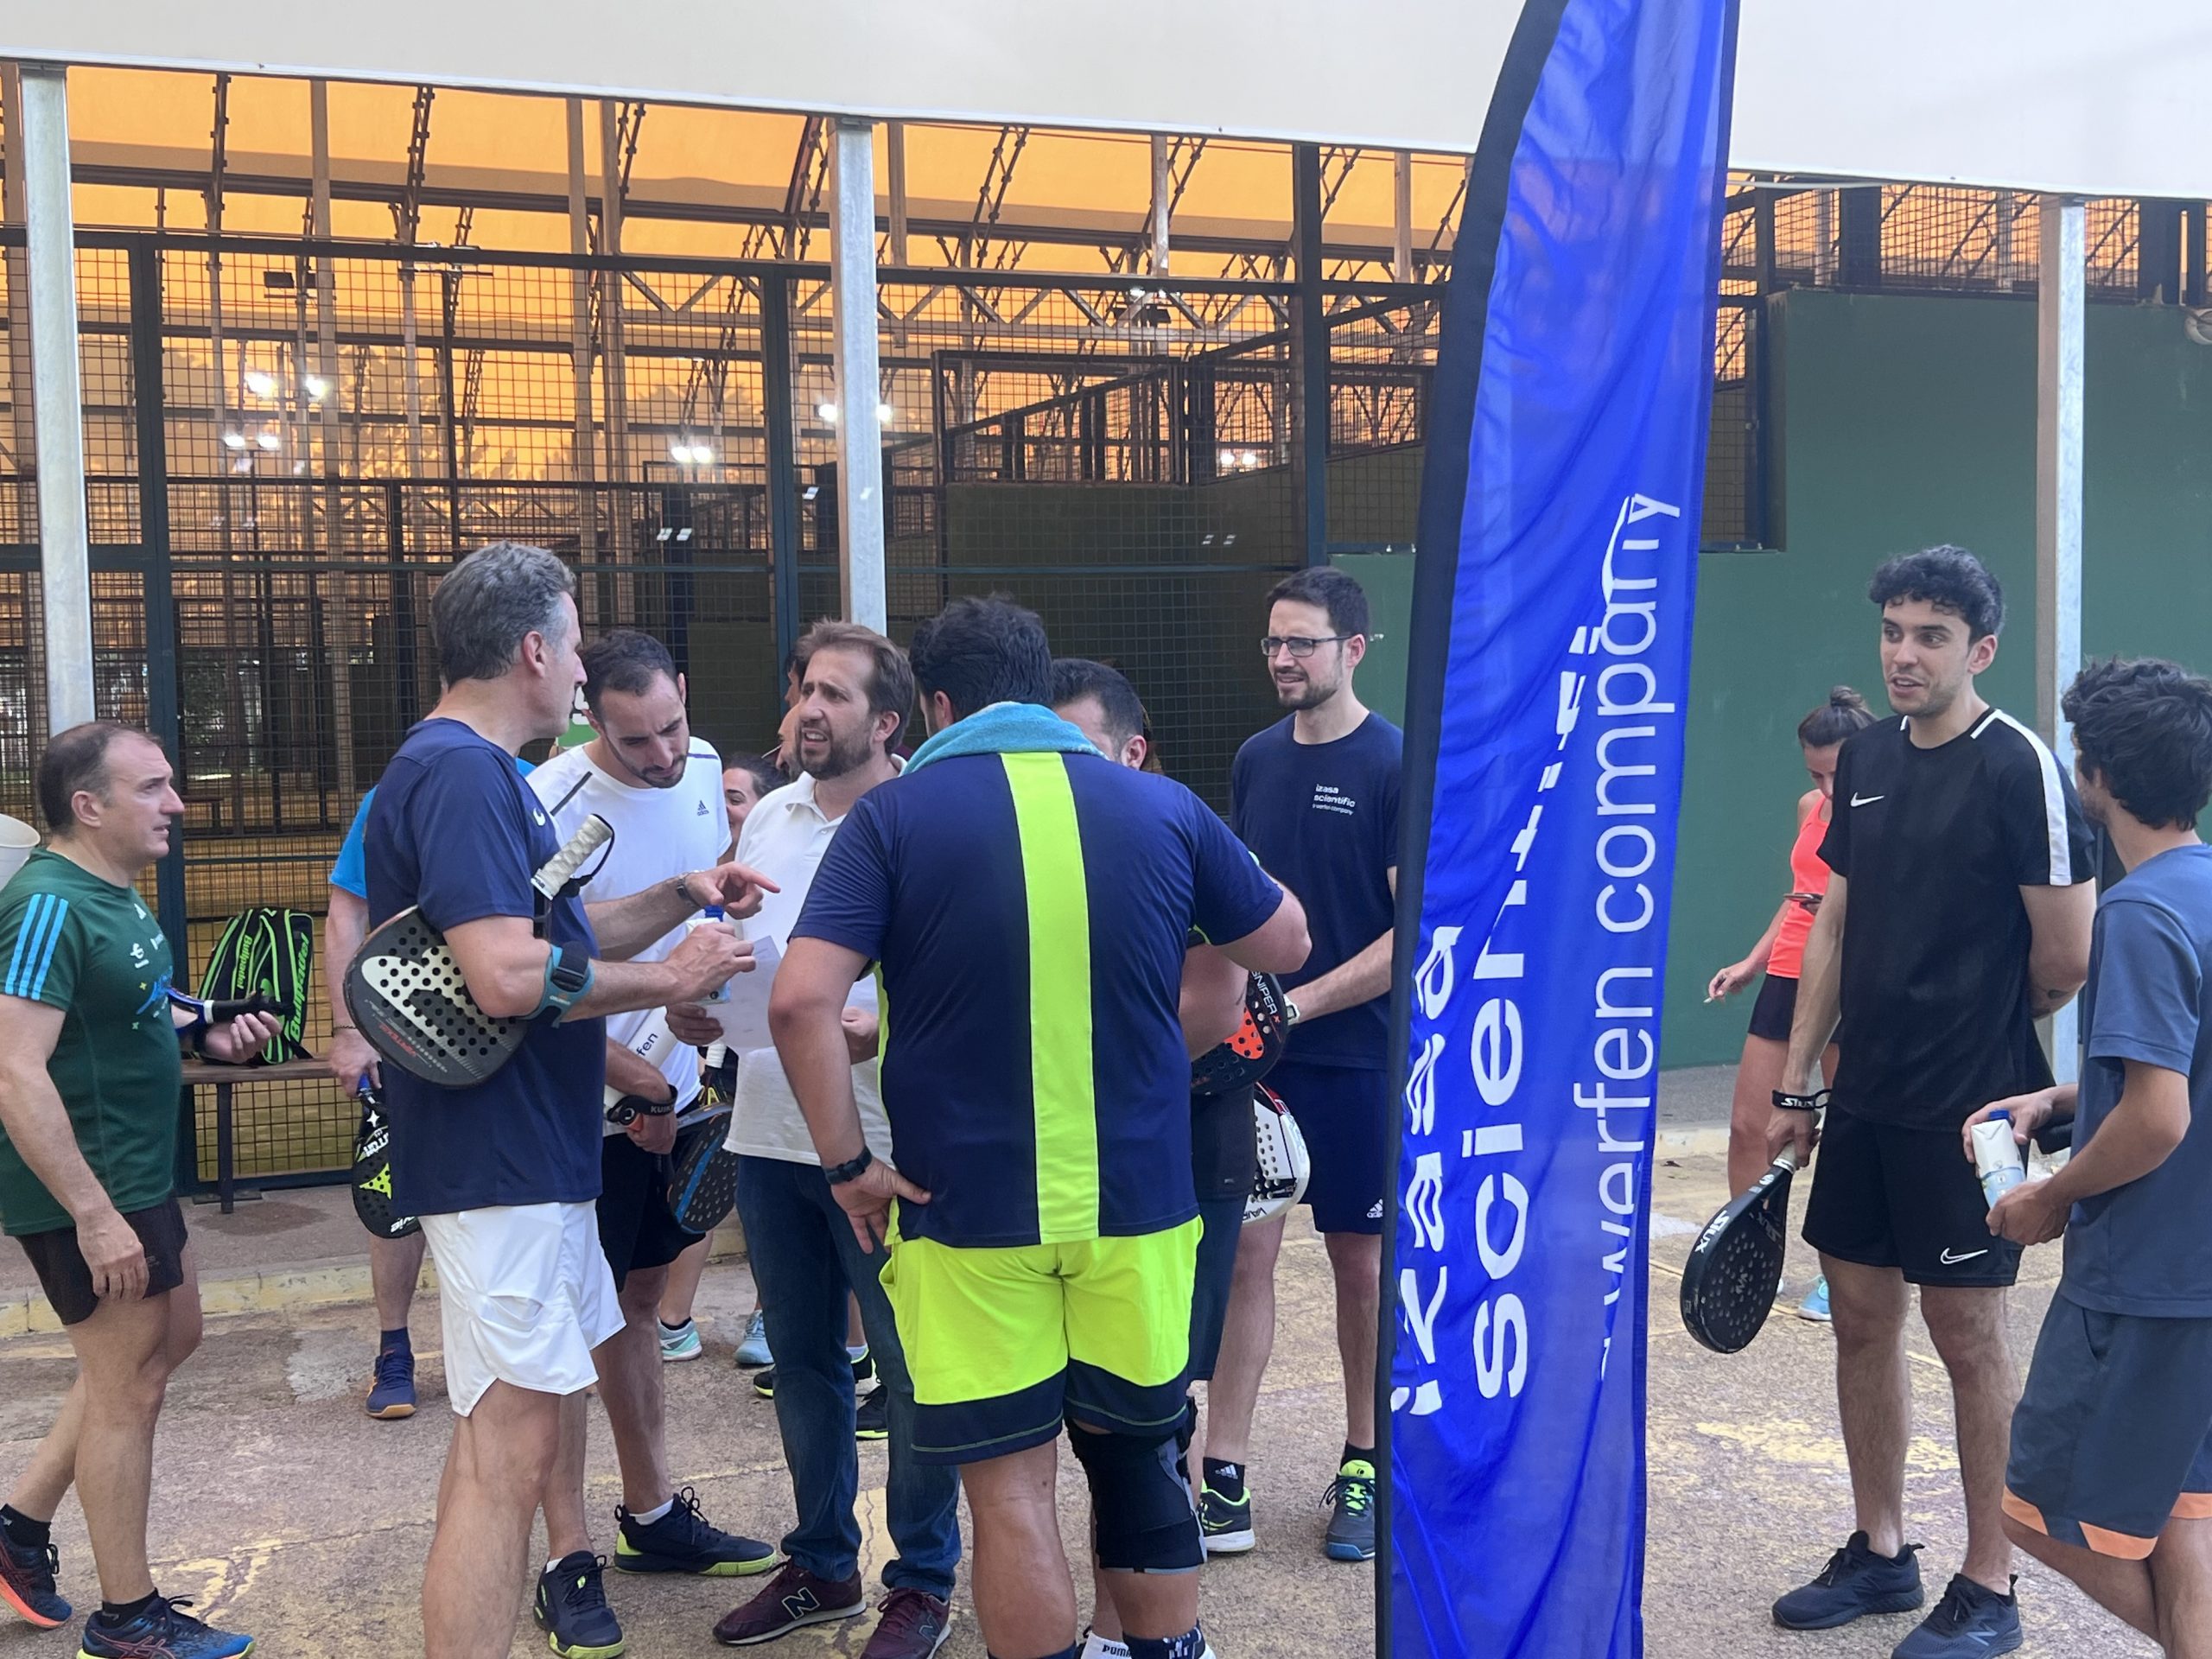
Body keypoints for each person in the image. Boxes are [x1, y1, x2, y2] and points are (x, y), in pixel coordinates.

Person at [770, 595, 1310, 1659]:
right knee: (1139, 1463)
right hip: (1138, 1204)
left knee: (1010, 1494)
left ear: (935, 706)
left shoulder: (891, 818)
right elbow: (1285, 942)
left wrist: (850, 1167)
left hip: (966, 1212)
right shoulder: (1160, 806)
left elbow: (798, 1005)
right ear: (1040, 685)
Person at [361, 542, 770, 1659]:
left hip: (524, 1159)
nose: (584, 667)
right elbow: (505, 975)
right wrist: (670, 978)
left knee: (508, 1437)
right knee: (505, 1455)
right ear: (536, 651)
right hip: (501, 1164)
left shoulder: (473, 771)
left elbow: (557, 939)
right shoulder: (464, 775)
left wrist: (680, 896)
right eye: (578, 645)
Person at [1765, 546, 2097, 1657]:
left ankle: (1989, 1582)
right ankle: (1880, 1552)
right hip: (1863, 1097)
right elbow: (1834, 920)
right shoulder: (1863, 757)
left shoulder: (2019, 767)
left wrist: (1983, 1031)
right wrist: (1799, 1078)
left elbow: (2065, 958)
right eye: (1893, 632)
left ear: (1980, 650)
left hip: (1969, 1109)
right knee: (1861, 1320)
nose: (1903, 655)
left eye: (1931, 637)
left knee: (1968, 1338)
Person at [683, 620, 963, 1658]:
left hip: (884, 1143)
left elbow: (964, 980)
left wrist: (878, 1028)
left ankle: (922, 1580)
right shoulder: (771, 818)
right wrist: (694, 1005)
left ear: (887, 721)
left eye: (834, 694)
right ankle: (822, 1564)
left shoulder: (926, 818)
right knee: (803, 1365)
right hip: (768, 1130)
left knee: (911, 1370)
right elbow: (747, 955)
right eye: (805, 688)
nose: (808, 708)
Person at [0, 722, 281, 1658]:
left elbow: (129, 1006)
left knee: (170, 1341)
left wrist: (205, 1031)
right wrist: (91, 1215)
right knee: (127, 1391)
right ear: (89, 806)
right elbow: (14, 1068)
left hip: (136, 1175)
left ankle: (17, 1528)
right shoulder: (48, 903)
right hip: (94, 1185)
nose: (177, 804)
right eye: (153, 787)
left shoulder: (113, 893)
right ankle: (128, 1619)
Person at [524, 628, 778, 1656]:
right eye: (636, 741)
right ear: (591, 716)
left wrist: (693, 1029)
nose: (664, 755)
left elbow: (691, 929)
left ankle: (653, 1513)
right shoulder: (547, 803)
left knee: (634, 1302)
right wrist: (631, 1080)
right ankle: (565, 1558)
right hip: (581, 1108)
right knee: (559, 1330)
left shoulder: (707, 765)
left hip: (672, 1100)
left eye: (672, 726)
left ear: (684, 695)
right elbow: (527, 972)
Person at [1966, 658, 2212, 1658]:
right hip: (2196, 1275)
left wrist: (2050, 1197)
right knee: (2184, 1511)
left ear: (2096, 776)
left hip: (2142, 1279)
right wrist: (2061, 1101)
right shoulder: (2201, 892)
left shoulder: (2138, 912)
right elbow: (2177, 1072)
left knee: (2037, 1516)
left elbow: (2157, 1117)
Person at [1050, 658, 1255, 1659]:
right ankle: (1110, 1629)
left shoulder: (1181, 835)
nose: (1056, 769)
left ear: (1132, 751)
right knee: (1097, 1420)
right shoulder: (1033, 847)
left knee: (1150, 1414)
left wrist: (1078, 1085)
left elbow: (1213, 1006)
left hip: (1178, 1145)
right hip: (1080, 1156)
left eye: (1078, 747)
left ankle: (1162, 1637)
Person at [1204, 566, 1401, 1564]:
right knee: (1247, 1257)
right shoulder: (1255, 760)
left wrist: (1299, 1003)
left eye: (1302, 643)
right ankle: (1222, 1473)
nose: (1282, 659)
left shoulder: (1395, 763)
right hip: (1260, 1065)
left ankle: (1365, 1462)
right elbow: (1243, 911)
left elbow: (1413, 934)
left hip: (1359, 1062)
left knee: (1360, 1267)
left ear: (1352, 649)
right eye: (1273, 642)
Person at [326, 749, 536, 1419]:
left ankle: (519, 1352)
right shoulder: (402, 791)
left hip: (517, 1033)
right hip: (411, 1025)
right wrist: (350, 1029)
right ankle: (394, 1349)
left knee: (522, 1197)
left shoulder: (544, 788)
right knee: (396, 1189)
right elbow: (345, 914)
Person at [1706, 687, 1875, 1322]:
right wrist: (1752, 963)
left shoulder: (1889, 809)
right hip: (1789, 970)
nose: (1826, 789)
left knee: (1848, 1136)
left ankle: (1844, 1275)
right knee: (1751, 1125)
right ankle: (1748, 1258)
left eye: (1837, 774)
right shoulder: (1812, 807)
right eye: (1815, 775)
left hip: (1855, 975)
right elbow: (1799, 893)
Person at [658, 751, 785, 1366]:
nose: (726, 809)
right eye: (721, 796)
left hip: (768, 1050)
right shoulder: (692, 876)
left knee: (765, 1187)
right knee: (700, 1183)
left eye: (737, 797)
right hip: (705, 1053)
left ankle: (768, 1316)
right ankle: (672, 1321)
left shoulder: (779, 873)